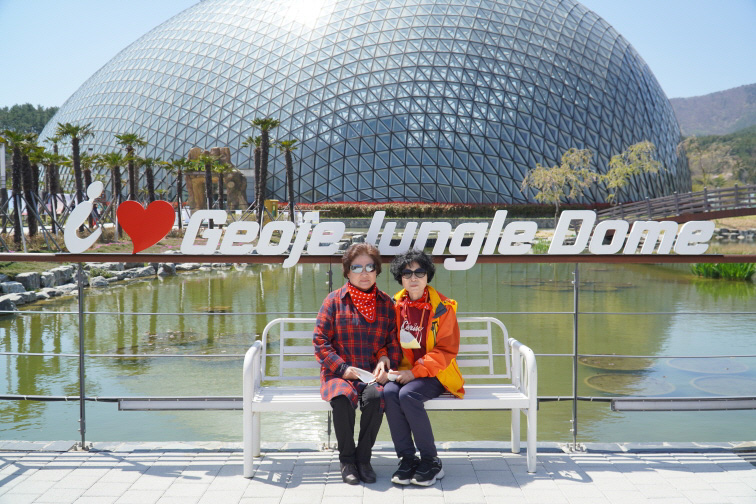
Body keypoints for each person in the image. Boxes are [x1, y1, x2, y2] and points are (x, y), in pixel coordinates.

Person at [313, 243, 402, 485]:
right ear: (347, 272)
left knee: (376, 398)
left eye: (370, 267)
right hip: (339, 372)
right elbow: (320, 341)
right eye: (357, 267)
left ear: (377, 271)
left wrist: (386, 361)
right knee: (342, 399)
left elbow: (393, 342)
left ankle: (363, 459)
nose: (364, 273)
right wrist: (343, 369)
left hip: (370, 374)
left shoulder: (386, 303)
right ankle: (347, 460)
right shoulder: (334, 301)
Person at [385, 249, 464, 486]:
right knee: (389, 392)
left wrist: (415, 372)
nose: (414, 278)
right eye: (407, 273)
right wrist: (385, 363)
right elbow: (385, 341)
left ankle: (431, 461)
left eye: (419, 272)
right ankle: (407, 459)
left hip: (436, 373)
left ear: (427, 275)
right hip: (403, 372)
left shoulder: (443, 308)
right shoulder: (393, 305)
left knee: (408, 395)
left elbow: (446, 350)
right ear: (400, 278)